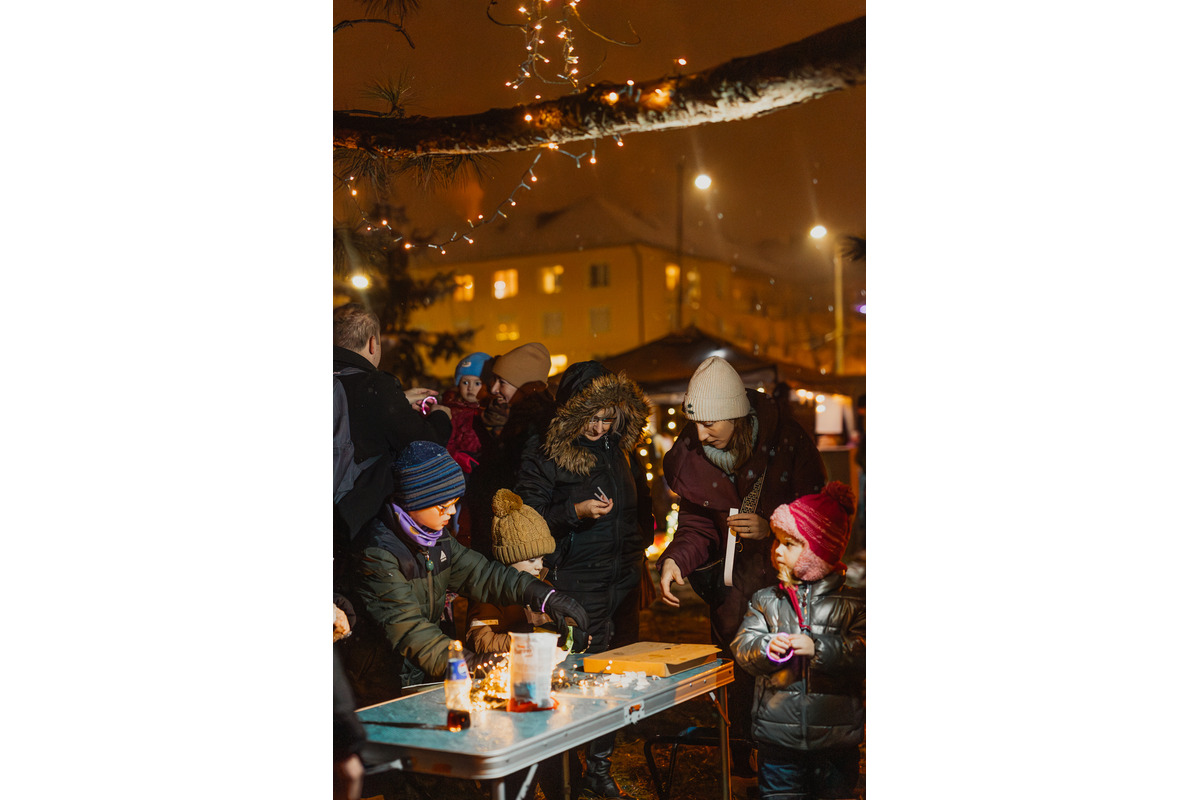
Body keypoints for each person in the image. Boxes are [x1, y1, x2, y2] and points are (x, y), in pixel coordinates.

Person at [656, 356, 827, 767]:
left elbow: (819, 512)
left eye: (710, 424)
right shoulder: (697, 455)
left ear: (736, 415)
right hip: (733, 597)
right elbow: (698, 524)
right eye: (695, 423)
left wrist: (774, 526)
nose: (700, 434)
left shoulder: (786, 443)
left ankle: (792, 767)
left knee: (788, 675)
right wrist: (676, 559)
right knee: (737, 672)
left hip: (787, 588)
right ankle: (741, 762)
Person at [338, 440, 589, 707]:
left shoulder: (436, 540)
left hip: (416, 672)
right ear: (414, 501)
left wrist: (543, 595)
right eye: (442, 505)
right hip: (377, 681)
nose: (452, 512)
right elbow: (410, 629)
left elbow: (483, 574)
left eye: (455, 502)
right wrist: (471, 663)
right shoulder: (378, 553)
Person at [514, 360, 653, 800]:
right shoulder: (546, 451)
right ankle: (564, 777)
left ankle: (598, 767)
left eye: (606, 415)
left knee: (615, 682)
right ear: (571, 410)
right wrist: (572, 513)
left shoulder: (620, 448)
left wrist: (638, 549)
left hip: (622, 585)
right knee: (574, 681)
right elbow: (527, 522)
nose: (598, 426)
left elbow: (639, 506)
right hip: (575, 585)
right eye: (589, 416)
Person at [731, 483, 865, 800]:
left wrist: (818, 648)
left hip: (834, 739)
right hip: (777, 739)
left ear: (818, 551)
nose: (776, 550)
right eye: (777, 541)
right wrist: (765, 647)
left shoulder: (853, 604)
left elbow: (864, 651)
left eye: (789, 544)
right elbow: (742, 645)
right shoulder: (766, 599)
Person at [466, 489, 574, 800]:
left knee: (556, 748)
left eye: (542, 557)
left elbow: (559, 625)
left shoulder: (542, 585)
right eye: (531, 558)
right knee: (516, 755)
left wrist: (564, 631)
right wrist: (526, 639)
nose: (539, 565)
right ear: (509, 559)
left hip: (538, 683)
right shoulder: (489, 593)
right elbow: (480, 639)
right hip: (500, 688)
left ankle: (567, 788)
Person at [333, 303, 452, 550]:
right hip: (352, 531)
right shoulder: (376, 386)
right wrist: (441, 416)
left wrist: (399, 400)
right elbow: (424, 443)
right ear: (372, 343)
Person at [464, 342, 557, 560]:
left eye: (502, 382)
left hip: (520, 545)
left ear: (526, 387)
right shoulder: (515, 420)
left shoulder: (535, 428)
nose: (493, 388)